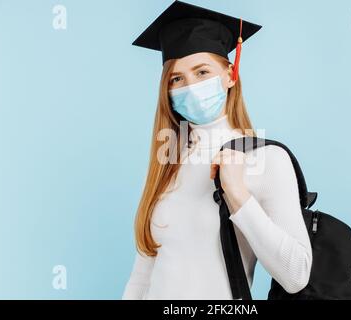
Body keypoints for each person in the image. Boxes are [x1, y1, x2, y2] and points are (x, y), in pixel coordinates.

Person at [122, 0, 312, 300]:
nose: (190, 86)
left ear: (230, 75)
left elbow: (297, 275)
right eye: (177, 78)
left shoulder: (266, 159)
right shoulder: (168, 162)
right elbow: (143, 275)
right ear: (167, 92)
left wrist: (238, 194)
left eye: (202, 72)